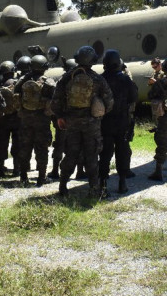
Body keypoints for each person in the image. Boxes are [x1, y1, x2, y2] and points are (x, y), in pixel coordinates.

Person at [51, 46, 114, 196]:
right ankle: (93, 189)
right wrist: (98, 115)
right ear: (93, 60)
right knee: (91, 155)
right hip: (91, 123)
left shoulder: (66, 78)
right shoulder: (98, 78)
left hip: (71, 123)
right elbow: (109, 102)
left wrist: (61, 116)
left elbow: (55, 102)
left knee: (71, 154)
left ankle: (63, 186)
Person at [99, 50, 138, 194]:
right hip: (122, 122)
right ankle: (122, 182)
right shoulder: (125, 80)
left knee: (104, 154)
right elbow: (133, 97)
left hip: (105, 123)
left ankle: (102, 184)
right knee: (122, 152)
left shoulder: (100, 79)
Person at [14, 55, 56, 185]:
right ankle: (41, 178)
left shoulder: (22, 81)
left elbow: (16, 97)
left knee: (25, 148)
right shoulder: (48, 82)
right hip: (42, 121)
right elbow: (55, 101)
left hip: (25, 121)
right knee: (42, 149)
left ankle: (23, 177)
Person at [48, 58, 77, 180]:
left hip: (62, 120)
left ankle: (55, 170)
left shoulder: (61, 81)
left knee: (59, 144)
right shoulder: (80, 81)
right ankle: (80, 171)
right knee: (77, 144)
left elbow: (54, 102)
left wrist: (58, 116)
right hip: (77, 119)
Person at [0, 60, 20, 177]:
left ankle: (0, 168)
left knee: (1, 143)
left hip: (2, 119)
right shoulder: (18, 83)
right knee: (17, 143)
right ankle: (16, 169)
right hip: (17, 118)